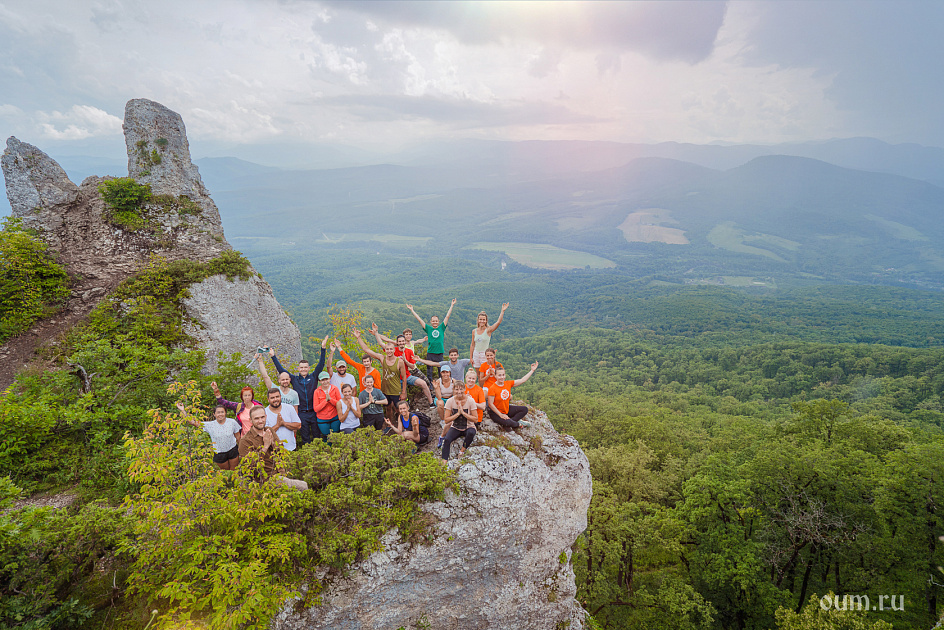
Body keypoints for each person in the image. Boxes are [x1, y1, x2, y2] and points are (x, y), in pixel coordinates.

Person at [269, 338, 327, 445]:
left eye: (305, 367)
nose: (304, 369)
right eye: (301, 367)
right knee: (305, 437)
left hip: (314, 411)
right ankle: (307, 457)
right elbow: (282, 371)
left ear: (309, 368)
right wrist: (273, 356)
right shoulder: (294, 380)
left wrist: (323, 348)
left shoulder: (314, 377)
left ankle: (319, 455)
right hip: (301, 413)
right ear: (298, 369)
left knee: (317, 436)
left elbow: (321, 364)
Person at [238, 406, 308, 490]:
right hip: (266, 479)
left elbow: (281, 451)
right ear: (250, 420)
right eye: (256, 418)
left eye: (262, 417)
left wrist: (272, 443)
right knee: (303, 486)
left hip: (281, 472)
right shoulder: (245, 441)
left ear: (266, 417)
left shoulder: (269, 430)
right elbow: (249, 466)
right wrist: (265, 446)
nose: (260, 421)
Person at [354, 328, 408, 426]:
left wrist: (403, 392)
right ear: (385, 350)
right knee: (388, 408)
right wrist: (359, 338)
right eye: (387, 349)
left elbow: (404, 378)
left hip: (396, 389)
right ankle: (389, 424)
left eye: (391, 349)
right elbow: (366, 350)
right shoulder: (382, 358)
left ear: (394, 350)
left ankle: (402, 425)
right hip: (385, 389)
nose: (389, 351)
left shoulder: (399, 362)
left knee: (398, 408)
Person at [370, 324, 434, 405]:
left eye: (403, 341)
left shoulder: (409, 351)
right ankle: (404, 410)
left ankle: (431, 403)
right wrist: (376, 332)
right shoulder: (393, 350)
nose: (401, 343)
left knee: (423, 383)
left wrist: (405, 361)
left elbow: (412, 366)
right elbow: (381, 343)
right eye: (399, 341)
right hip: (396, 379)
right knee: (401, 399)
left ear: (405, 342)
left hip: (407, 375)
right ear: (397, 342)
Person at [175, 402, 242, 470]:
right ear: (214, 414)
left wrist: (241, 450)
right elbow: (193, 422)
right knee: (226, 472)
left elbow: (238, 437)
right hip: (219, 453)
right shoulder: (210, 425)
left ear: (225, 413)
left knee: (234, 470)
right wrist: (183, 410)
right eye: (218, 412)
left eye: (222, 412)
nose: (220, 414)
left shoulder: (232, 422)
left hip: (232, 450)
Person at [407, 299, 457, 380]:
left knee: (441, 371)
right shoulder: (428, 329)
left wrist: (452, 305)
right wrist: (412, 310)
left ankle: (442, 385)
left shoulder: (441, 327)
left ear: (438, 322)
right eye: (433, 321)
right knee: (429, 371)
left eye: (436, 321)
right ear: (431, 322)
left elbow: (447, 316)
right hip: (430, 353)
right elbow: (420, 320)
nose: (435, 322)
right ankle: (430, 386)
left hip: (439, 353)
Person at [487, 363, 539, 430]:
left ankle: (510, 422)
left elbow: (522, 380)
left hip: (506, 409)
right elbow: (490, 404)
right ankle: (518, 424)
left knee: (524, 409)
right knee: (508, 427)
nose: (502, 377)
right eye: (499, 375)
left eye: (503, 375)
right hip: (495, 413)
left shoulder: (508, 383)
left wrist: (532, 370)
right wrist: (500, 415)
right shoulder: (492, 388)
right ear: (495, 376)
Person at [441, 381, 477, 461]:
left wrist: (463, 413)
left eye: (461, 389)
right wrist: (458, 414)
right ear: (453, 390)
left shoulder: (470, 401)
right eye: (456, 389)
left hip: (468, 426)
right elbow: (446, 420)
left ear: (464, 389)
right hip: (456, 427)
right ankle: (444, 460)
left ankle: (462, 451)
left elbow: (475, 419)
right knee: (447, 440)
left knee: (471, 433)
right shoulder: (450, 401)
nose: (459, 392)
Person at [470, 302, 509, 368]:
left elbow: (498, 322)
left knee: (485, 373)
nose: (482, 321)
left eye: (483, 319)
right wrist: (471, 357)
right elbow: (472, 345)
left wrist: (502, 311)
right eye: (480, 319)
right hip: (476, 354)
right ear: (478, 320)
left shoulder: (488, 330)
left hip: (485, 354)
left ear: (486, 321)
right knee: (479, 375)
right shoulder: (474, 331)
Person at [312, 371, 341, 440]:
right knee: (326, 437)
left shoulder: (335, 388)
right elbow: (316, 408)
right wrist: (325, 401)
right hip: (322, 419)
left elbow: (339, 404)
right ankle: (327, 450)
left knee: (336, 437)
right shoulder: (317, 391)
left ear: (329, 379)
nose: (325, 382)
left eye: (326, 379)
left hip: (335, 417)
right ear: (319, 381)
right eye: (323, 380)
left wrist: (330, 400)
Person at [432, 365, 457, 447]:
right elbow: (439, 397)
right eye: (443, 372)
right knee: (440, 403)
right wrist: (436, 388)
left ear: (450, 373)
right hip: (441, 398)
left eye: (447, 372)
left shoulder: (453, 381)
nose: (445, 374)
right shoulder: (438, 382)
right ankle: (443, 420)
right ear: (441, 373)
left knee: (454, 402)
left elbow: (455, 395)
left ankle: (452, 417)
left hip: (450, 397)